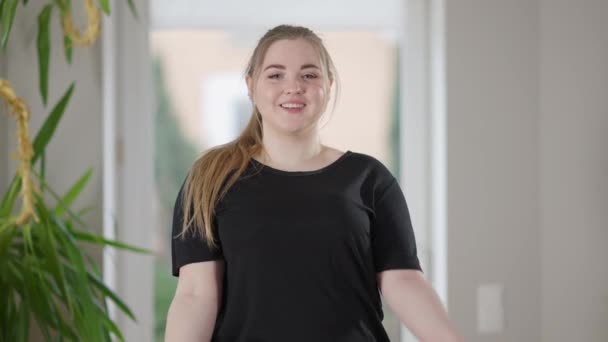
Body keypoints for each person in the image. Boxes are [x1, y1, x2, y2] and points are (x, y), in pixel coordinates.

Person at [164, 24, 463, 342]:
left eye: (309, 75)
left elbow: (402, 279)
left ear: (329, 85)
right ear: (251, 86)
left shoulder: (369, 179)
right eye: (275, 75)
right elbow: (196, 295)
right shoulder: (210, 179)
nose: (293, 87)